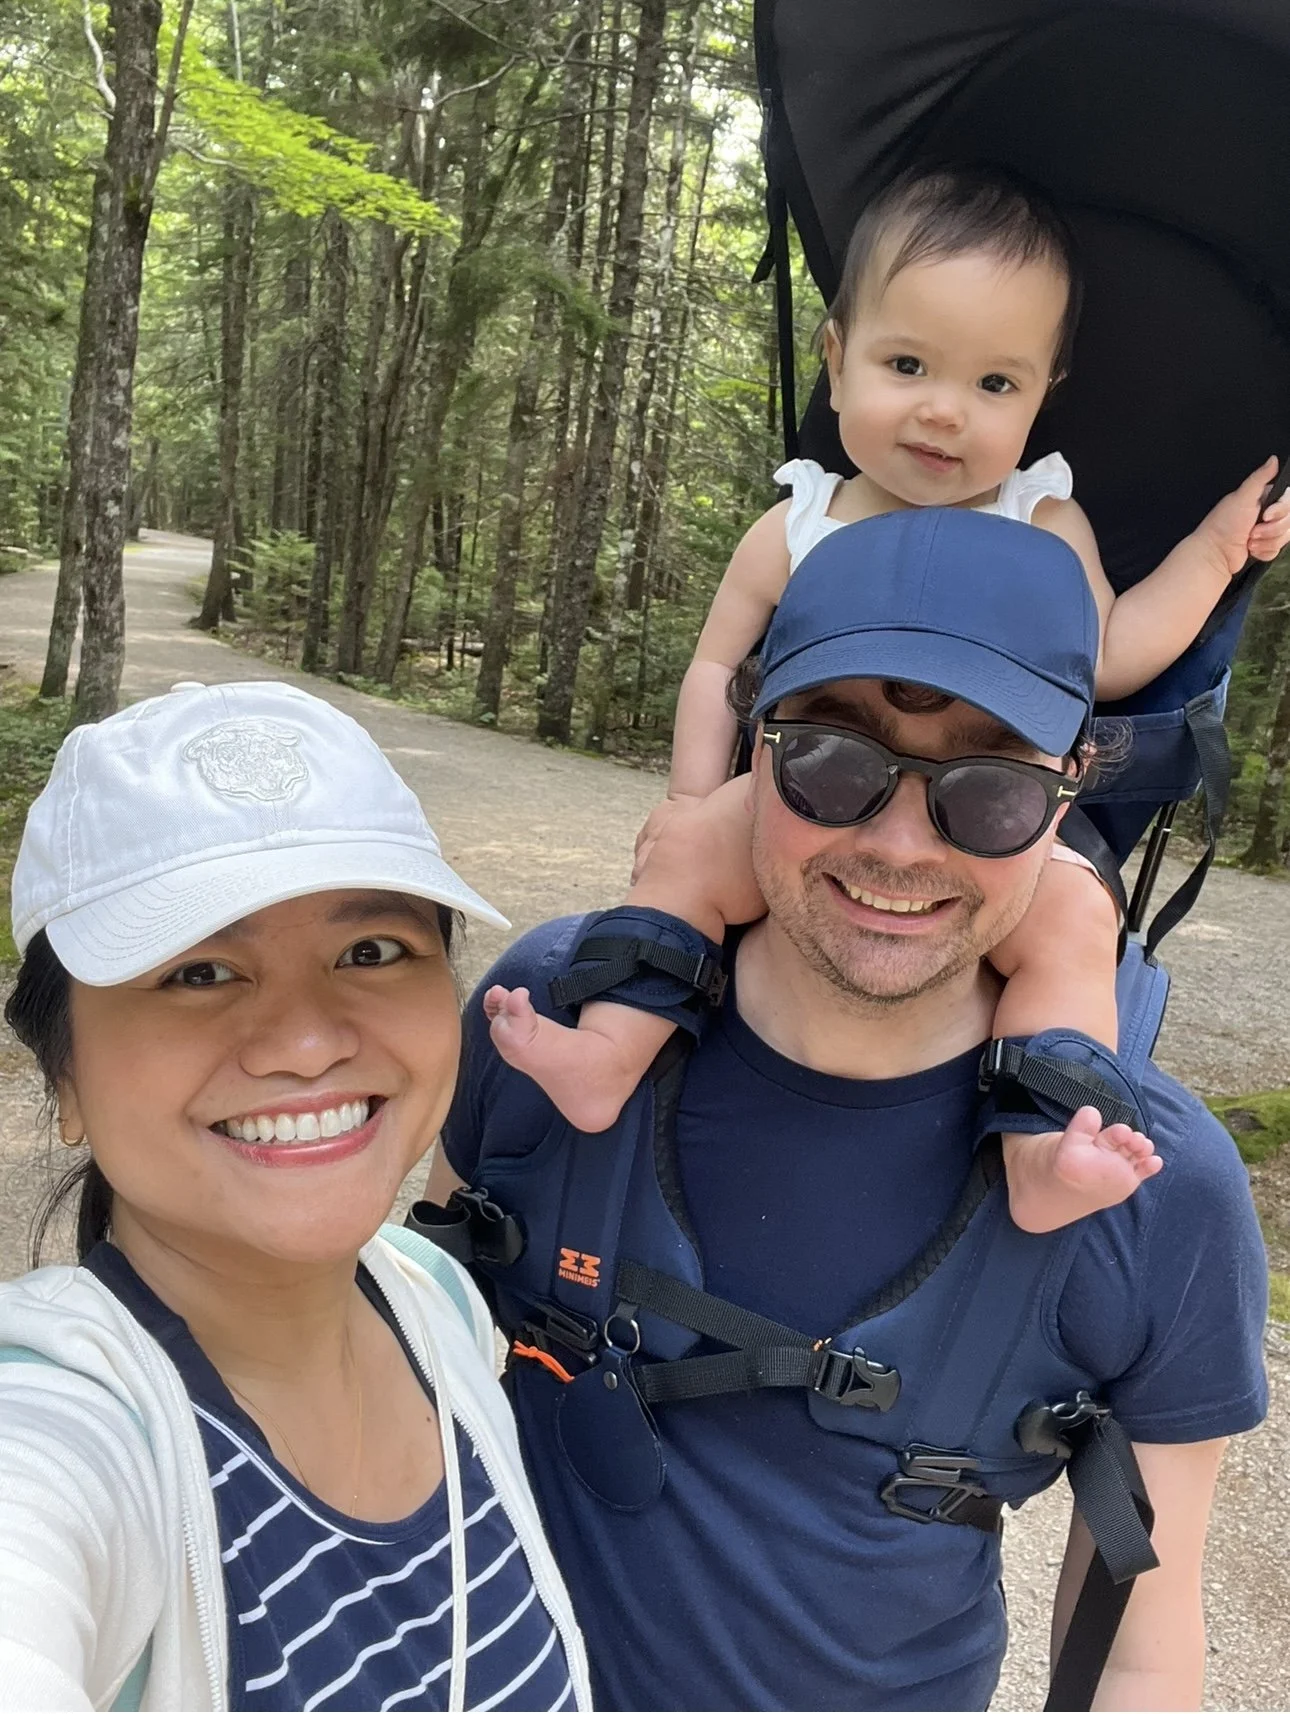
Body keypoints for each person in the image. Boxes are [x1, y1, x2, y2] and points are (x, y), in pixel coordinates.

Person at [432, 508, 1269, 1712]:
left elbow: (1140, 1640)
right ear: (754, 743)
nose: (895, 845)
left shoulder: (1154, 1186)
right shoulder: (547, 1016)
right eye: (833, 759)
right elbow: (402, 1359)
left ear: (1070, 787)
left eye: (988, 791)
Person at [480, 166, 1290, 1234]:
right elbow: (716, 670)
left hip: (989, 819)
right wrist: (689, 794)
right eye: (907, 363)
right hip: (809, 798)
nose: (945, 411)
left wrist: (1214, 549)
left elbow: (1113, 658)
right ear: (835, 356)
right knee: (687, 856)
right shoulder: (799, 526)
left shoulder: (1041, 522)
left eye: (996, 384)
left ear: (1044, 391)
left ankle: (1047, 1139)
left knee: (1074, 923)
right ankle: (612, 1049)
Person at [0, 680, 591, 1713]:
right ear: (63, 1078)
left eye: (370, 952)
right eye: (197, 971)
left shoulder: (437, 1305)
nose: (309, 1042)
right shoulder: (61, 1431)